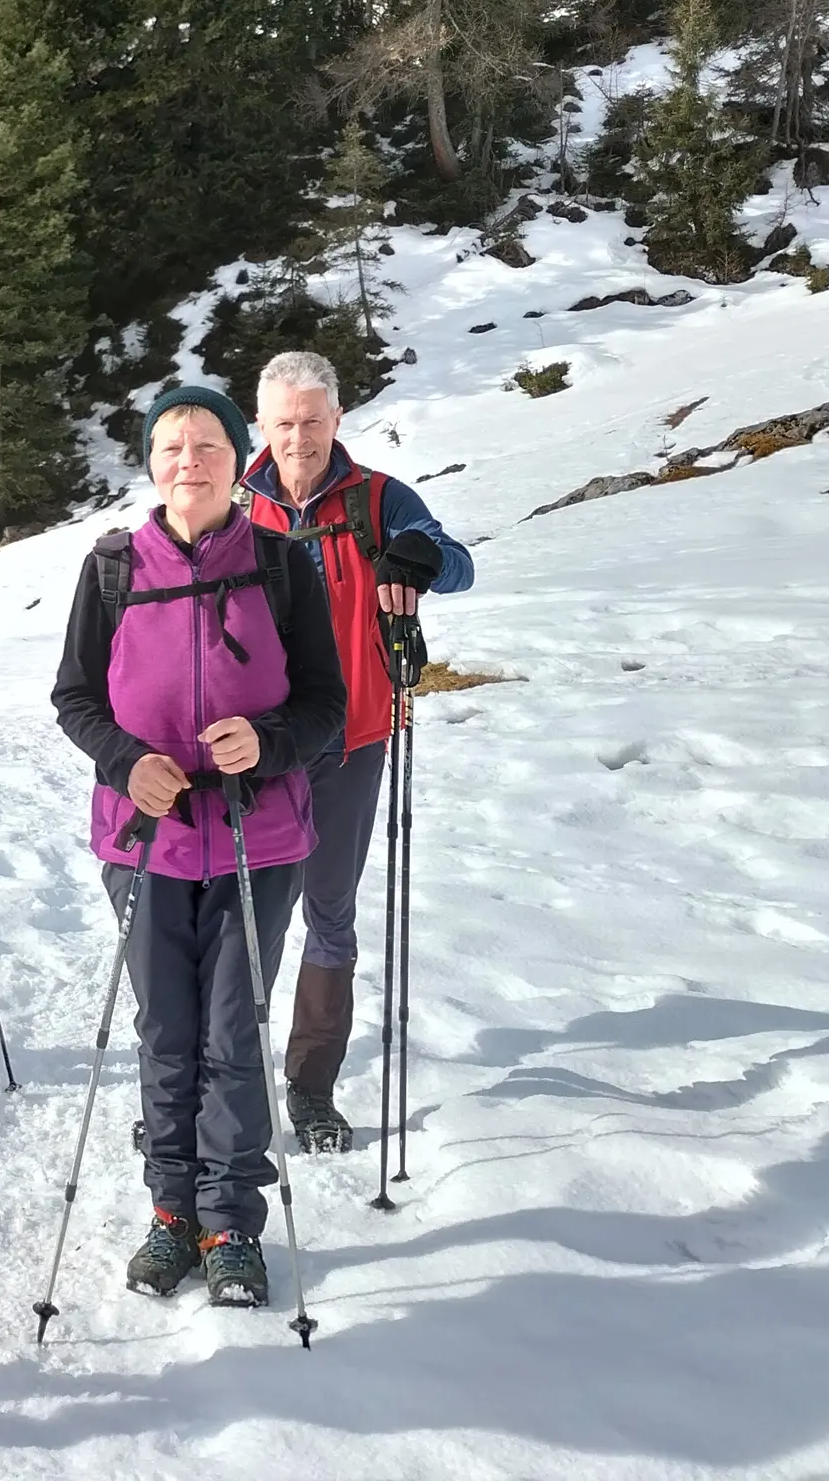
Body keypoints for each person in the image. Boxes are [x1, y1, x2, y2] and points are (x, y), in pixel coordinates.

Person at [52, 385, 346, 1307]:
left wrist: (270, 742)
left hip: (258, 839)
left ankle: (230, 1224)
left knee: (231, 1031)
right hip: (145, 839)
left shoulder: (281, 565)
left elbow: (325, 707)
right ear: (150, 461)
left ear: (237, 455)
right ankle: (170, 1210)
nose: (190, 460)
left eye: (208, 443)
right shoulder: (110, 567)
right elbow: (75, 700)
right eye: (172, 446)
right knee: (166, 1030)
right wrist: (124, 761)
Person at [244, 350, 475, 1152]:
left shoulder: (380, 500)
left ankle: (311, 1087)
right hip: (259, 749)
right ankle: (226, 1079)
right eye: (283, 424)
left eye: (312, 421)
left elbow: (458, 566)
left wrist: (423, 559)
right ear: (262, 426)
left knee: (329, 916)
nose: (298, 438)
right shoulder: (235, 508)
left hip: (353, 740)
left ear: (337, 419)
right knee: (249, 919)